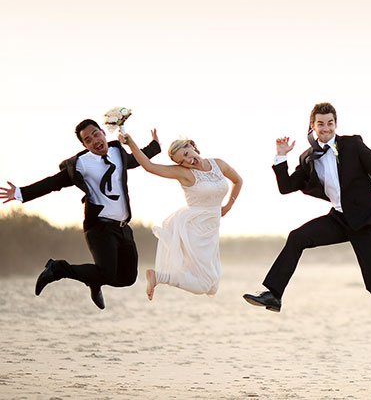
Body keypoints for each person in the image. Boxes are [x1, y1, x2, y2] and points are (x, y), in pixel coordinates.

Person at [242, 102, 371, 335]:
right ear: (312, 126)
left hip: (365, 221)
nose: (325, 128)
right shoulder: (309, 157)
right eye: (320, 124)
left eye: (330, 123)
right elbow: (286, 187)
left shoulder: (353, 145)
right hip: (339, 219)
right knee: (297, 237)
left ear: (336, 124)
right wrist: (281, 156)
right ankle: (274, 294)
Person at [0, 119, 161, 309]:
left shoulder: (118, 152)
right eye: (88, 140)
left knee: (127, 279)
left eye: (95, 134)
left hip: (123, 227)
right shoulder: (81, 165)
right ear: (85, 145)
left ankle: (94, 281)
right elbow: (53, 183)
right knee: (107, 273)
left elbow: (136, 160)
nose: (94, 140)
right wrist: (20, 193)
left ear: (103, 132)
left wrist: (155, 146)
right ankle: (57, 269)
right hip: (99, 228)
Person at [121, 134, 242, 299]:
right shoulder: (184, 173)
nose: (188, 161)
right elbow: (149, 166)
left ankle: (159, 277)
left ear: (191, 145)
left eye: (186, 154)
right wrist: (131, 143)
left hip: (212, 228)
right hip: (194, 228)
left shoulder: (218, 164)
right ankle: (158, 276)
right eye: (182, 161)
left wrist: (228, 206)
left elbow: (238, 180)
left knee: (213, 283)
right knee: (205, 284)